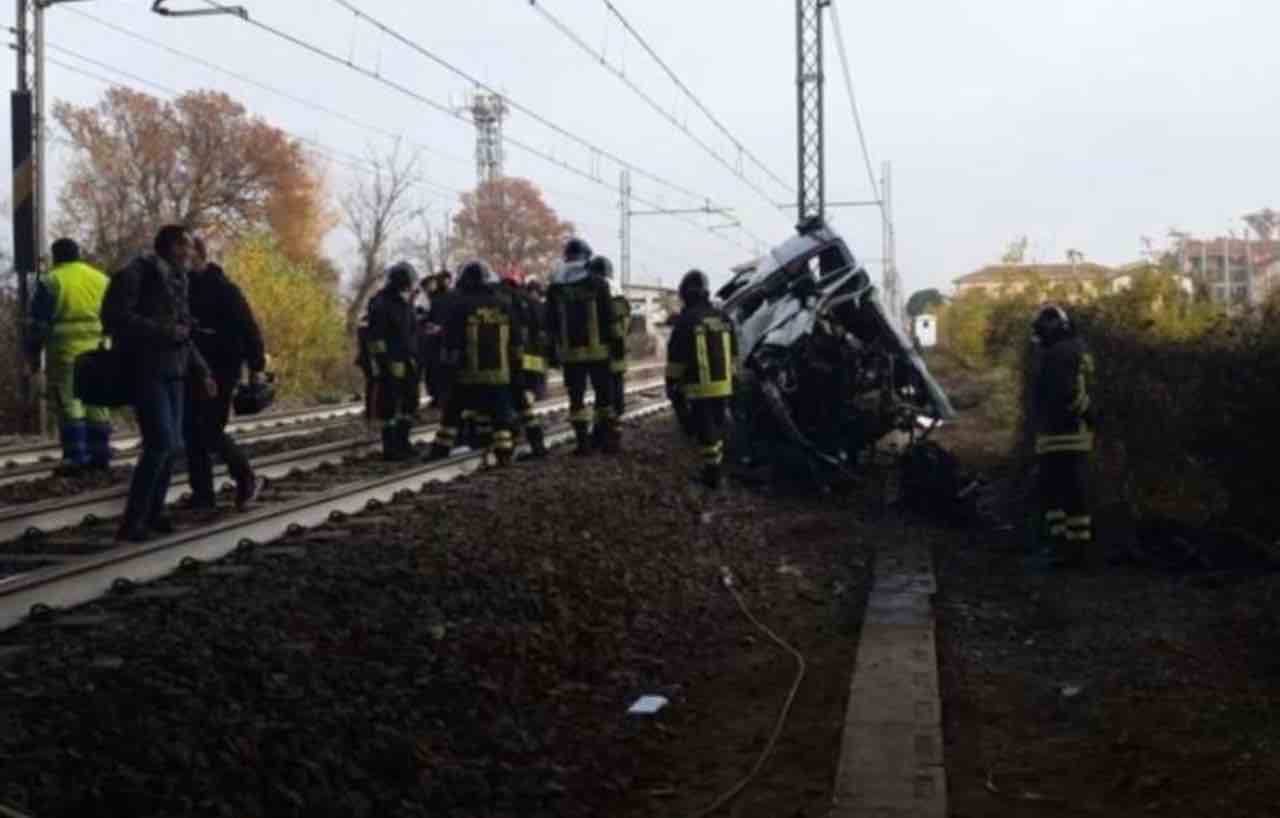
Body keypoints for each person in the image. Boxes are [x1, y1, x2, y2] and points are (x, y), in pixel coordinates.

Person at [102, 224, 216, 542]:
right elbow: (114, 318)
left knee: (172, 445)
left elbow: (183, 333)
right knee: (160, 443)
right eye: (186, 248)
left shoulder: (178, 280)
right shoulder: (136, 274)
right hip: (146, 369)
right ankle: (133, 520)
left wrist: (202, 370)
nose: (190, 254)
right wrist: (163, 331)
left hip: (174, 371)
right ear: (171, 247)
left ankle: (152, 514)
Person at [183, 237, 266, 510]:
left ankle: (246, 478)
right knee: (191, 432)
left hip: (222, 367)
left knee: (209, 428)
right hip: (189, 367)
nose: (183, 258)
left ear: (200, 255)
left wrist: (256, 367)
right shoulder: (178, 287)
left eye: (187, 253)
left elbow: (248, 327)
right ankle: (203, 495)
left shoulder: (224, 289)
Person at [24, 238, 113, 474]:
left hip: (65, 352)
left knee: (70, 404)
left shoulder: (51, 281)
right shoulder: (101, 279)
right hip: (99, 351)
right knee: (98, 402)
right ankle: (101, 456)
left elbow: (38, 324)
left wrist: (33, 357)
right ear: (78, 254)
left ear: (55, 256)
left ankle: (76, 458)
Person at [425, 259, 520, 466]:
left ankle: (440, 450)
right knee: (500, 416)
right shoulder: (504, 304)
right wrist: (516, 371)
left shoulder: (458, 305)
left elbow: (450, 341)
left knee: (452, 415)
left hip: (467, 375)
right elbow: (516, 341)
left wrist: (446, 372)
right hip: (499, 375)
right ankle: (504, 454)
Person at [1030, 304, 1095, 566]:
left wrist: (1063, 414)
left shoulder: (1058, 355)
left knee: (1058, 492)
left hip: (1060, 435)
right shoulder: (1078, 350)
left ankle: (1065, 548)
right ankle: (1073, 547)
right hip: (1074, 434)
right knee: (1069, 491)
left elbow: (1064, 393)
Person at [666, 269, 738, 489]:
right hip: (724, 385)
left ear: (686, 294)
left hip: (700, 388)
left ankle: (712, 475)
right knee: (717, 427)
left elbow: (676, 358)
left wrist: (671, 384)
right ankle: (717, 467)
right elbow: (734, 352)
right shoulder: (723, 317)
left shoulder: (685, 321)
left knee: (705, 432)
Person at [545, 237, 618, 455]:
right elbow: (609, 319)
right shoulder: (599, 283)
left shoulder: (556, 287)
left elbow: (550, 323)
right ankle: (607, 441)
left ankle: (583, 444)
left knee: (576, 399)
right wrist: (617, 348)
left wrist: (551, 352)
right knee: (604, 399)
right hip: (600, 354)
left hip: (571, 355)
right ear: (587, 258)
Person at [367, 261, 420, 460]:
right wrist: (383, 363)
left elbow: (411, 333)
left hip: (408, 363)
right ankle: (390, 447)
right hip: (391, 364)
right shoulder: (382, 304)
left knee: (409, 404)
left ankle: (403, 442)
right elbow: (376, 338)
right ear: (403, 283)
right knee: (389, 407)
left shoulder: (404, 304)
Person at [499, 271, 549, 459]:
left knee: (509, 398)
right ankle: (536, 443)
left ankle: (512, 431)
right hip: (531, 359)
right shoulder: (533, 303)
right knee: (526, 399)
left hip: (508, 359)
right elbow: (542, 334)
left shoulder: (499, 302)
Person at [587, 255, 631, 452]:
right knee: (611, 400)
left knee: (604, 400)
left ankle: (604, 437)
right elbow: (623, 329)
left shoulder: (595, 293)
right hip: (615, 358)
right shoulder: (619, 299)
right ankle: (607, 437)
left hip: (602, 357)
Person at [421, 270, 455, 409]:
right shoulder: (434, 299)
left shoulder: (451, 297)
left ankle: (444, 397)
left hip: (445, 338)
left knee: (443, 370)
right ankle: (439, 397)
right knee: (437, 370)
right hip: (436, 341)